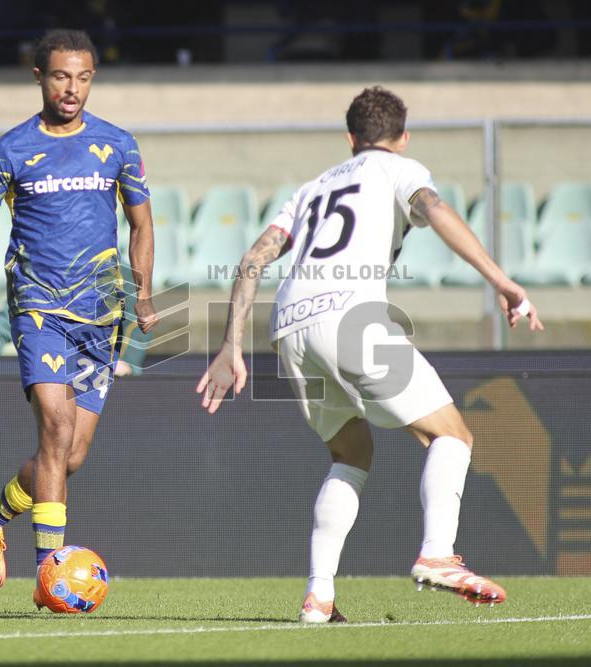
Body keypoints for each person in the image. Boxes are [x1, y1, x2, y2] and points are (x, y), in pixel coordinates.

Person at [197, 86, 543, 623]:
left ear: (350, 138)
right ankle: (437, 555)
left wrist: (229, 348)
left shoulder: (310, 189)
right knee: (451, 435)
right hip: (351, 318)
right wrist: (502, 281)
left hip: (288, 326)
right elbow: (437, 209)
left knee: (350, 453)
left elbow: (252, 259)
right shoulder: (399, 170)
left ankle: (320, 597)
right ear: (402, 138)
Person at [0, 29, 158, 609]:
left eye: (84, 76)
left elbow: (141, 225)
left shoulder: (117, 144)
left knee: (69, 455)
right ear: (38, 76)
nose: (73, 88)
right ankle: (49, 575)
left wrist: (143, 296)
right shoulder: (9, 150)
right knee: (56, 430)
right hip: (39, 306)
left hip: (102, 312)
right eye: (62, 76)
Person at [0, 277, 151, 381]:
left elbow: (134, 322)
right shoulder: (43, 275)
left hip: (102, 380)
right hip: (53, 376)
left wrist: (126, 362)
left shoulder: (118, 274)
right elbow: (5, 322)